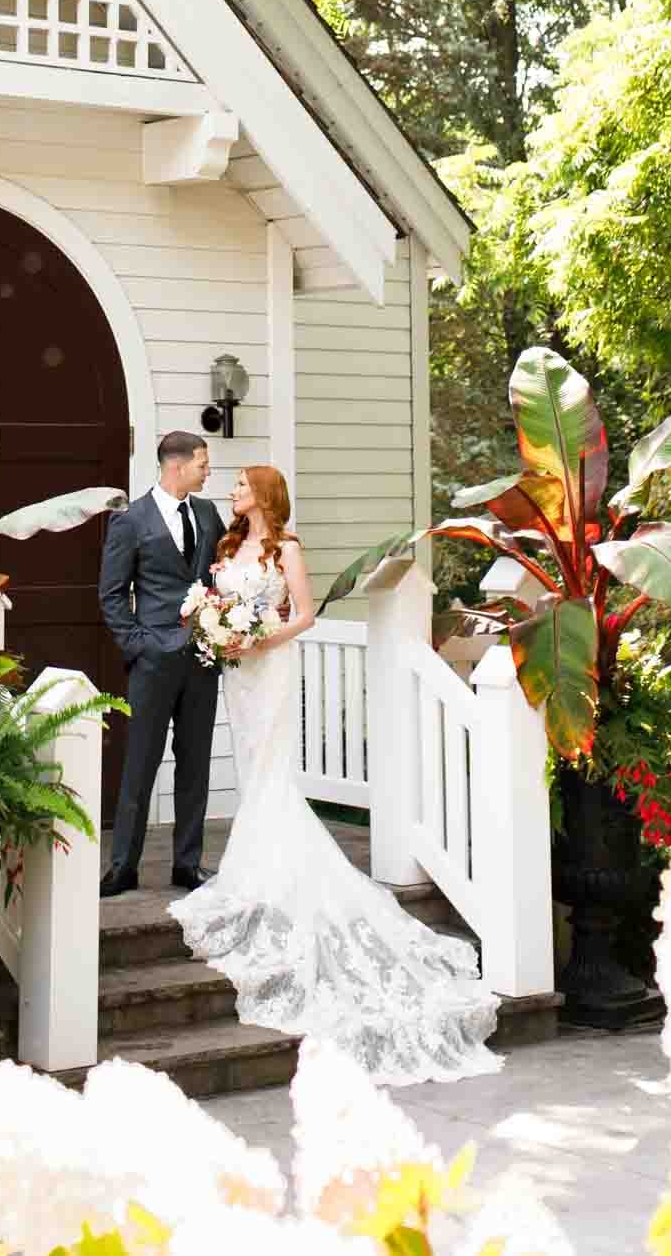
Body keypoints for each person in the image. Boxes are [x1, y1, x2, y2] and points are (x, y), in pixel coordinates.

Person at [169, 464, 501, 1084]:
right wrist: (218, 627)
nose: (234, 493)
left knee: (270, 771)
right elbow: (220, 603)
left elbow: (304, 615)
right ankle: (259, 864)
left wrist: (260, 638)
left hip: (268, 667)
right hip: (238, 672)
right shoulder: (229, 546)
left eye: (242, 486)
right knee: (252, 769)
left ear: (264, 496)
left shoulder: (285, 548)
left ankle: (267, 871)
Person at [97, 428, 223, 895]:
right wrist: (137, 644)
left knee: (195, 763)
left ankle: (186, 865)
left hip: (203, 659)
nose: (208, 471)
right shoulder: (130, 520)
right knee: (141, 761)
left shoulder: (209, 514)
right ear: (178, 465)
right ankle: (123, 866)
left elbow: (222, 573)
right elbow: (111, 595)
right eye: (203, 464)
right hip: (151, 662)